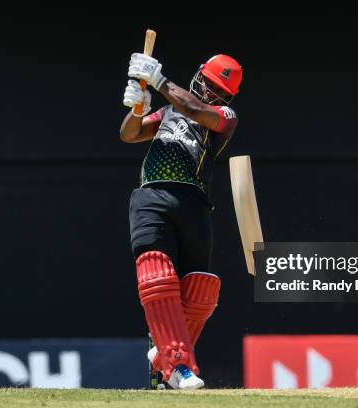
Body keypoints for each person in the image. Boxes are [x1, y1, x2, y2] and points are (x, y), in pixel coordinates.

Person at [120, 52, 242, 389]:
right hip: (152, 196)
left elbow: (194, 109)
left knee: (200, 289)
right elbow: (129, 134)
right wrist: (138, 109)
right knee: (156, 273)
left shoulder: (223, 116)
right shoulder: (167, 110)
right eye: (210, 84)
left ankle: (161, 363)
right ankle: (178, 365)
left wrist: (159, 81)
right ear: (199, 74)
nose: (212, 94)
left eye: (220, 91)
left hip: (194, 200)